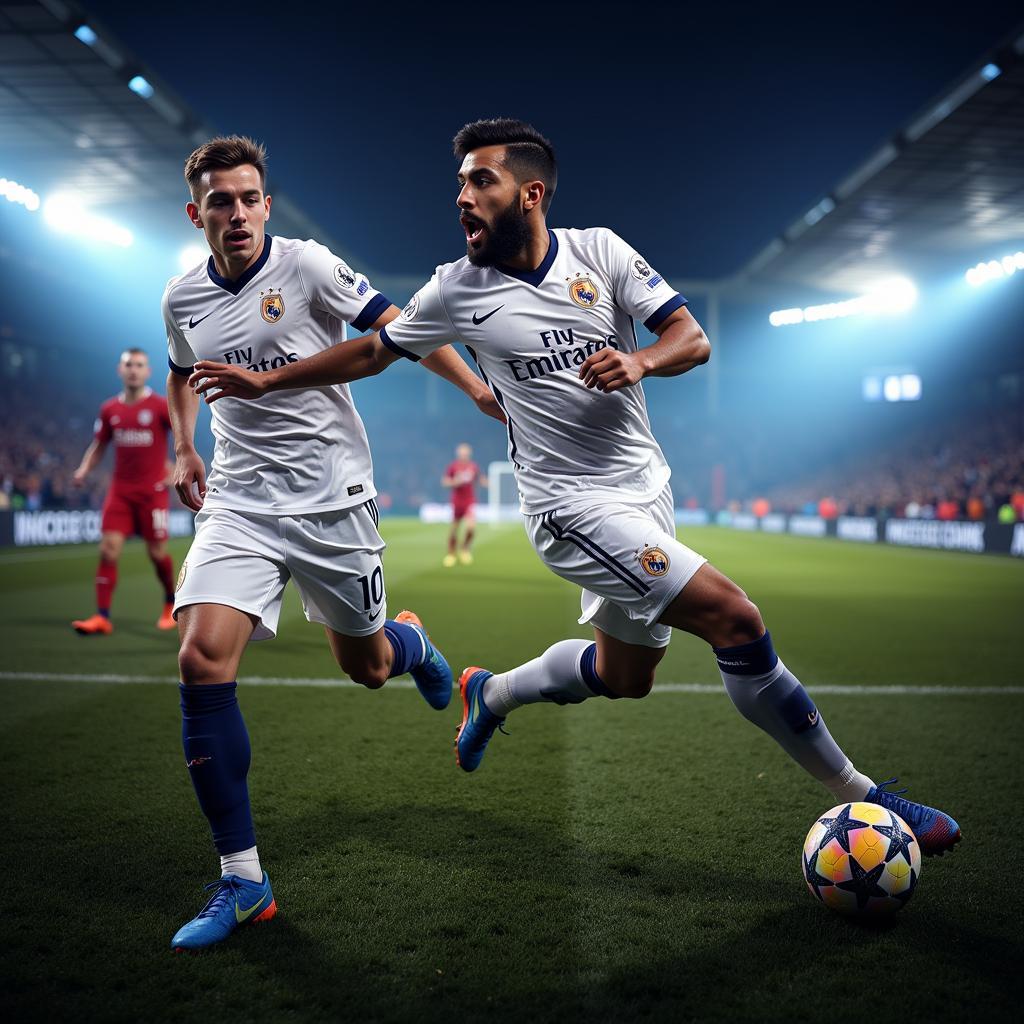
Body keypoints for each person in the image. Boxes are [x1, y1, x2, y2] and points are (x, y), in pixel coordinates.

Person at [190, 119, 961, 861]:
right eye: (459, 183)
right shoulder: (456, 288)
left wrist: (642, 362)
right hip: (569, 508)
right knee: (734, 617)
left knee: (627, 680)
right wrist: (265, 381)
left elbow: (692, 338)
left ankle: (491, 695)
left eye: (480, 181)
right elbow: (371, 351)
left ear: (530, 194)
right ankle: (868, 795)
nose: (462, 197)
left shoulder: (599, 252)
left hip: (644, 490)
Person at [163, 135, 501, 952]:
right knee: (200, 659)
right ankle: (244, 882)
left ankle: (412, 644)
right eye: (220, 202)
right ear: (197, 212)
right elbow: (181, 371)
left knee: (369, 668)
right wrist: (184, 445)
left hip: (329, 500)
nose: (237, 213)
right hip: (240, 501)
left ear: (266, 206)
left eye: (249, 199)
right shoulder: (181, 298)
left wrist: (478, 389)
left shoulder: (308, 267)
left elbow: (402, 328)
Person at [71, 348, 176, 634]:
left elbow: (181, 436)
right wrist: (83, 470)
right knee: (108, 550)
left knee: (157, 554)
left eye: (139, 365)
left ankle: (170, 602)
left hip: (152, 493)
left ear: (147, 372)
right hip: (120, 492)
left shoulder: (159, 406)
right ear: (120, 370)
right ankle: (102, 617)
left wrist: (177, 467)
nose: (133, 370)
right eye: (129, 364)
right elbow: (99, 445)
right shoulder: (109, 410)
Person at [441, 442, 486, 566]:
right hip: (457, 501)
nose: (464, 455)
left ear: (469, 454)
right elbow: (445, 482)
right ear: (458, 454)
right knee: (454, 529)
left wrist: (487, 483)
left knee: (471, 528)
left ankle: (465, 549)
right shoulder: (453, 467)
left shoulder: (473, 467)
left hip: (469, 501)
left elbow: (480, 479)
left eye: (466, 453)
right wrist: (455, 482)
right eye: (462, 453)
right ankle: (451, 553)